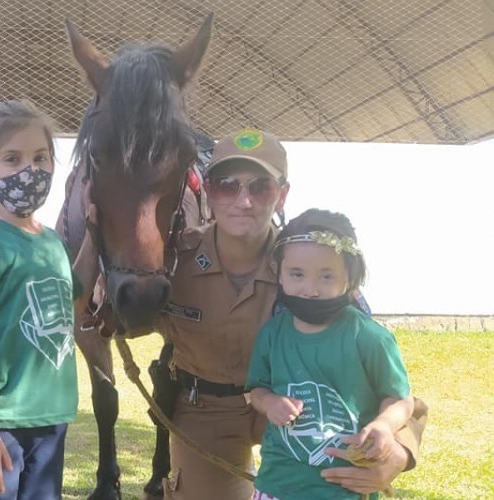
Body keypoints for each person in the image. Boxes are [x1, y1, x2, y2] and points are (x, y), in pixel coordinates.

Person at [157, 128, 426, 500]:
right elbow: (108, 318)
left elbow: (382, 372)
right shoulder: (172, 262)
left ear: (282, 194)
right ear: (207, 189)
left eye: (261, 187)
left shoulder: (311, 268)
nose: (243, 201)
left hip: (305, 412)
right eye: (226, 185)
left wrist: (399, 450)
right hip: (208, 411)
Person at [0, 100, 97, 499]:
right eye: (12, 159)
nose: (29, 171)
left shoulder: (52, 242)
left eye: (40, 157)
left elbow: (73, 306)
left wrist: (96, 239)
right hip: (0, 422)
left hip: (51, 416)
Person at [246, 208, 413, 499]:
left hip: (345, 487)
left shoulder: (370, 338)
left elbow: (400, 398)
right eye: (297, 274)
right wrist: (270, 402)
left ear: (350, 278)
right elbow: (256, 389)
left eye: (326, 276)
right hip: (277, 484)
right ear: (280, 273)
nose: (310, 290)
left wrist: (385, 425)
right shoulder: (271, 334)